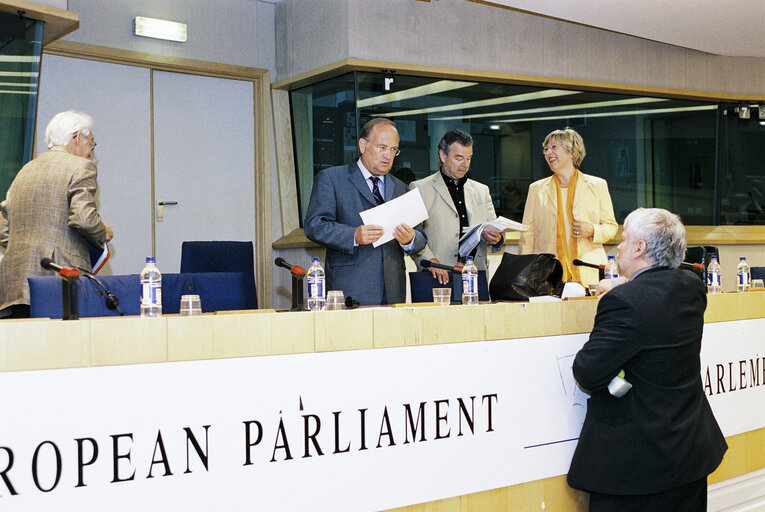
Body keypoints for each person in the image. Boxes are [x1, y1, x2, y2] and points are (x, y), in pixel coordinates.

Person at [567, 207, 727, 511]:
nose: (619, 247)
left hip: (637, 471)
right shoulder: (692, 288)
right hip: (688, 453)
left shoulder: (623, 303)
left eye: (625, 240)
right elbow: (656, 296)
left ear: (640, 248)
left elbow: (587, 372)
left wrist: (617, 297)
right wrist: (627, 285)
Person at [0, 110, 114, 318]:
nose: (90, 152)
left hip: (14, 283)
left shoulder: (25, 170)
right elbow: (83, 218)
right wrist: (102, 232)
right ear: (77, 137)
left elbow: (3, 229)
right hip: (57, 280)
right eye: (91, 143)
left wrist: (26, 250)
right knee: (63, 347)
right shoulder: (81, 166)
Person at [304, 118, 426, 305]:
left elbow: (421, 237)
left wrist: (410, 239)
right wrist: (354, 235)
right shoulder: (332, 179)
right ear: (363, 145)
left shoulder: (401, 187)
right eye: (382, 148)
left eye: (393, 150)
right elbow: (315, 226)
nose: (388, 156)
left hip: (393, 290)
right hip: (350, 287)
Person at [519, 127, 617, 287]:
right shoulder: (536, 189)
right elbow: (527, 234)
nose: (548, 153)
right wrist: (525, 272)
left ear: (572, 152)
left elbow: (611, 227)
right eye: (545, 149)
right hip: (547, 275)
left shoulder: (597, 185)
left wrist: (592, 230)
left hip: (588, 271)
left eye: (554, 147)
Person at [409, 129, 504, 284]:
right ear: (443, 156)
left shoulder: (482, 190)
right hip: (437, 274)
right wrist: (430, 261)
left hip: (474, 274)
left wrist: (496, 239)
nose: (465, 164)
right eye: (459, 158)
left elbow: (494, 230)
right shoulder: (420, 189)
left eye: (469, 158)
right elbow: (412, 236)